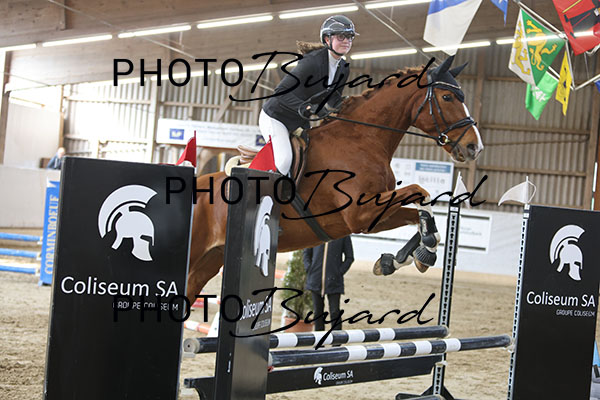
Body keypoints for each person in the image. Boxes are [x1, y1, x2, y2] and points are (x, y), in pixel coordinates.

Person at [260, 15, 357, 176]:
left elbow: (334, 100)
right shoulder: (312, 62)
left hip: (299, 122)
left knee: (313, 160)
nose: (346, 41)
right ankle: (264, 192)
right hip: (276, 118)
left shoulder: (343, 68)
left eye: (350, 37)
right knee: (284, 161)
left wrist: (353, 106)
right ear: (327, 39)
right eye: (341, 36)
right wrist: (308, 107)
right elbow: (280, 93)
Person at [303, 236, 354, 332]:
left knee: (335, 312)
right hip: (315, 280)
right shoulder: (316, 233)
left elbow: (349, 257)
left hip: (334, 281)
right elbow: (306, 253)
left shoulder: (343, 235)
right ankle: (319, 338)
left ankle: (337, 337)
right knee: (318, 312)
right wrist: (309, 269)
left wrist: (339, 272)